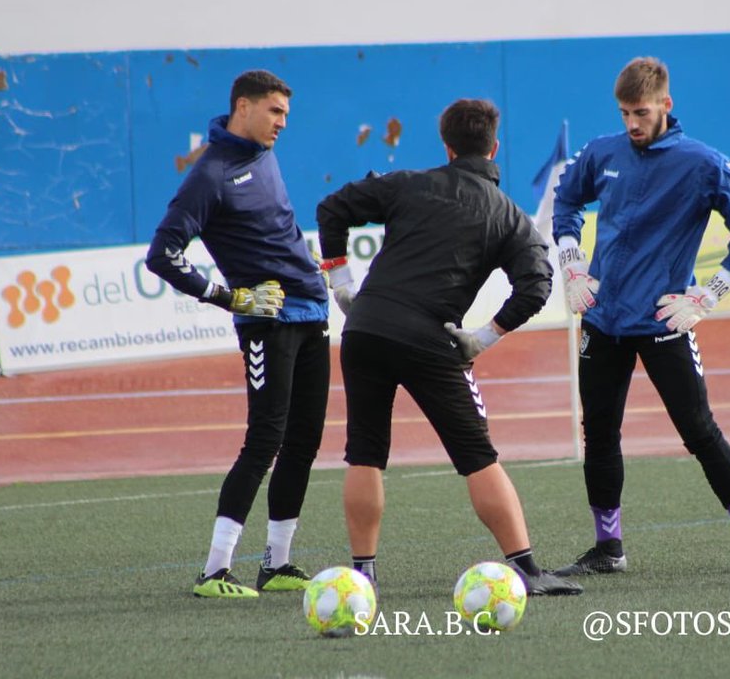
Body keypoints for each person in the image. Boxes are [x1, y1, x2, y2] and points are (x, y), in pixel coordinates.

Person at [315, 98, 582, 597]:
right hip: (430, 338)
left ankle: (363, 574)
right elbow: (537, 286)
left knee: (365, 453)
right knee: (477, 455)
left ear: (447, 145)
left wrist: (343, 283)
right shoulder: (508, 215)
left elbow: (332, 208)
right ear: (494, 147)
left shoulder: (410, 182)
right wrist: (483, 337)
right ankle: (525, 568)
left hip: (366, 329)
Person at [551, 56, 730, 576]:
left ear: (666, 105)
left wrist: (709, 296)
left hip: (664, 324)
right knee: (600, 435)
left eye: (641, 112)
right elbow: (566, 202)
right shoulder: (602, 152)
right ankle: (609, 549)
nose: (632, 123)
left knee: (699, 432)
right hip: (603, 320)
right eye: (624, 112)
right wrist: (571, 263)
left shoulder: (704, 164)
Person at [146, 69, 331, 598]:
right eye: (275, 112)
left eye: (286, 115)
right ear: (243, 107)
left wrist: (306, 256)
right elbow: (163, 255)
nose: (282, 124)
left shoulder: (265, 156)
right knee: (264, 441)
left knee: (304, 443)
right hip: (266, 327)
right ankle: (214, 571)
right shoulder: (209, 176)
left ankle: (276, 565)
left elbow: (281, 223)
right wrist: (229, 297)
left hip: (312, 315)